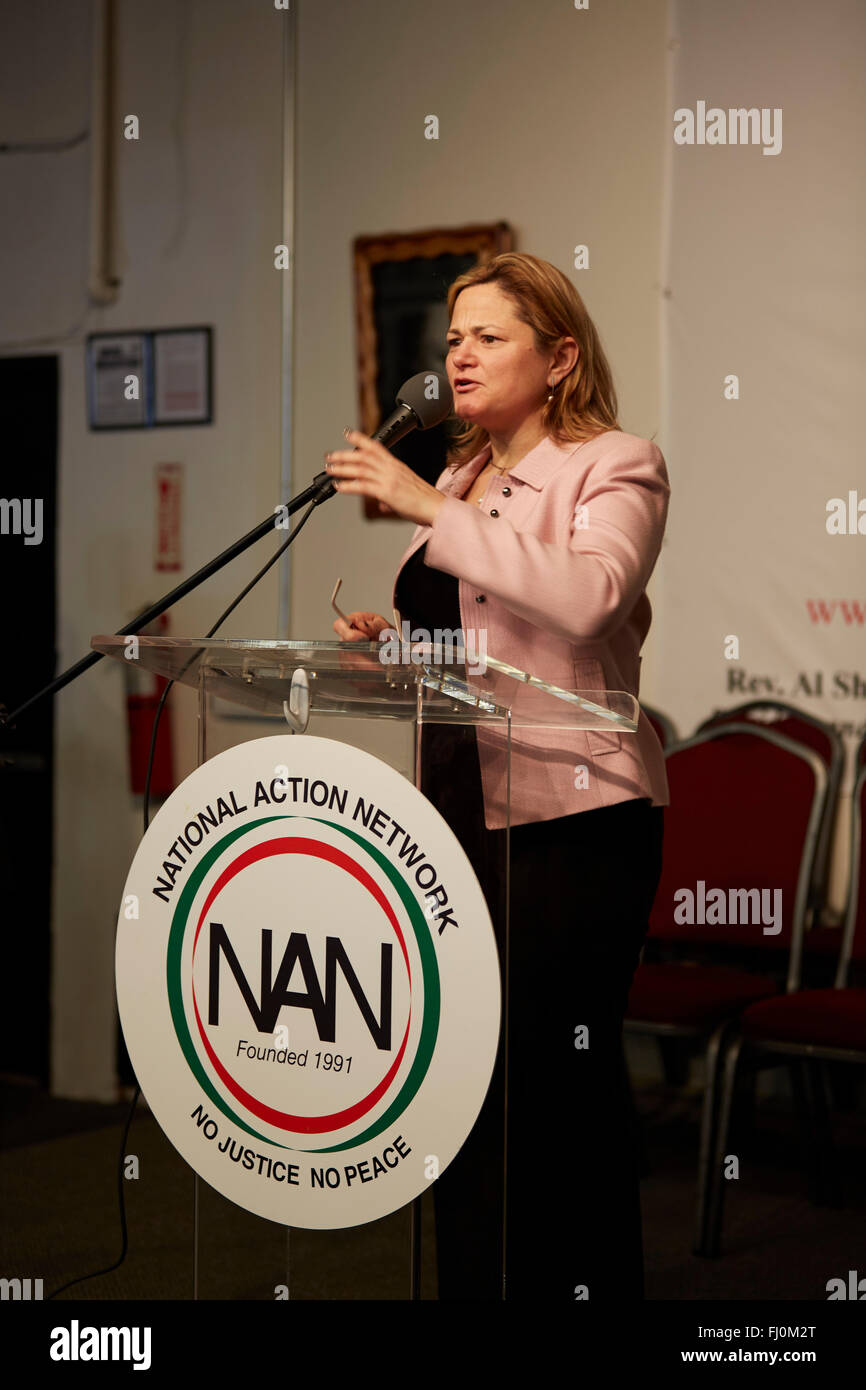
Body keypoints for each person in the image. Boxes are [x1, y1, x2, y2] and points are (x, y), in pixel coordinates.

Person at [326, 252, 669, 1302]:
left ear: (559, 356)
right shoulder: (467, 479)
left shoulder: (615, 464)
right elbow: (481, 656)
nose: (457, 357)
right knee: (461, 1079)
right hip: (455, 820)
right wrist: (397, 652)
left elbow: (586, 601)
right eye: (450, 340)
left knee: (555, 1086)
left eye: (486, 337)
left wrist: (426, 506)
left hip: (570, 823)